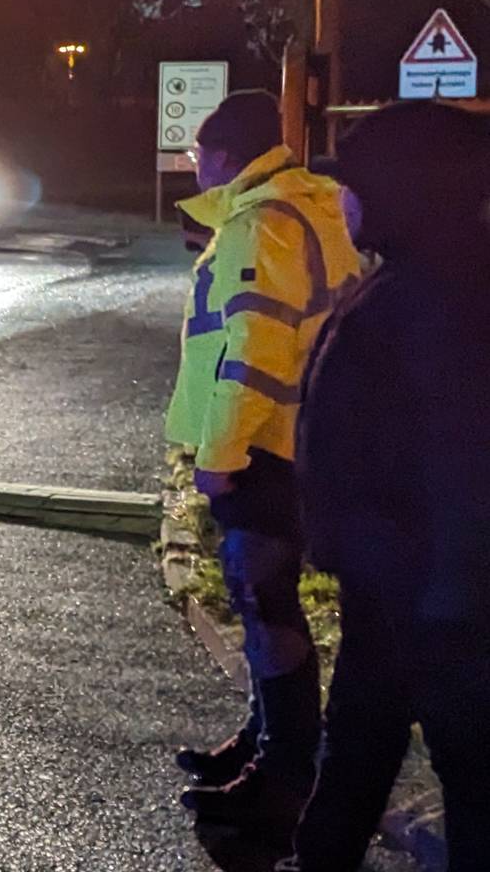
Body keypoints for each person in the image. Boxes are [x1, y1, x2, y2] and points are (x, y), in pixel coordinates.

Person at [283, 100, 490, 872]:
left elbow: (460, 458)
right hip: (398, 585)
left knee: (466, 769)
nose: (341, 202)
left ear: (402, 193)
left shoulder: (439, 303)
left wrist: (451, 595)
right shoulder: (417, 283)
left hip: (436, 597)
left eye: (355, 184)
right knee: (359, 749)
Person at [166, 91, 365, 838]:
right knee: (267, 604)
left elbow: (253, 352)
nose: (196, 168)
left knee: (264, 604)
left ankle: (281, 779)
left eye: (199, 157)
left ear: (224, 158)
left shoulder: (263, 223)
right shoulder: (311, 202)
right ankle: (265, 744)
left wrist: (221, 455)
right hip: (303, 441)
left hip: (266, 451)